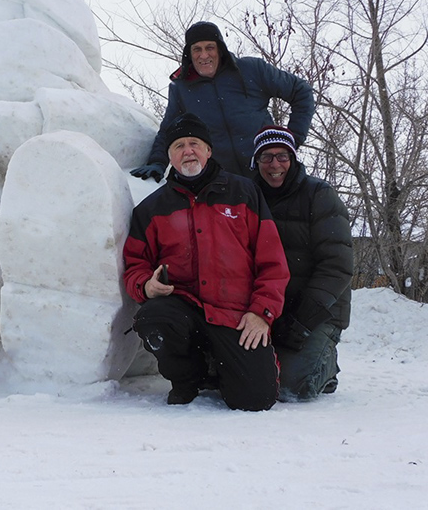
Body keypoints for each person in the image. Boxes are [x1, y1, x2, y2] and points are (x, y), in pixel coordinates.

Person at [123, 113, 290, 410]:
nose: (188, 151)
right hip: (182, 309)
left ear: (208, 150)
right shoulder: (151, 209)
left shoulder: (244, 193)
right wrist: (146, 286)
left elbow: (273, 263)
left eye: (194, 143)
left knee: (256, 400)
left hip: (235, 315)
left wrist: (262, 313)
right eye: (179, 146)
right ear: (170, 156)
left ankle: (223, 366)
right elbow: (135, 265)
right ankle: (188, 377)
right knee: (155, 318)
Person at [131, 21, 315, 180]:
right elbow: (169, 130)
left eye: (209, 47)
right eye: (197, 49)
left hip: (269, 173)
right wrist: (157, 162)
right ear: (189, 54)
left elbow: (301, 92)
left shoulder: (251, 70)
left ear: (220, 49)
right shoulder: (182, 88)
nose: (204, 55)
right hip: (224, 184)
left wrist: (292, 139)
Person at [250, 125, 354, 401]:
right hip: (268, 306)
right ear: (256, 162)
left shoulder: (319, 195)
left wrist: (302, 321)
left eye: (282, 156)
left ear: (293, 159)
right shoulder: (248, 197)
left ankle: (325, 366)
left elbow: (337, 266)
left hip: (318, 309)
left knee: (292, 387)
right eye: (266, 157)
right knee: (237, 375)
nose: (275, 164)